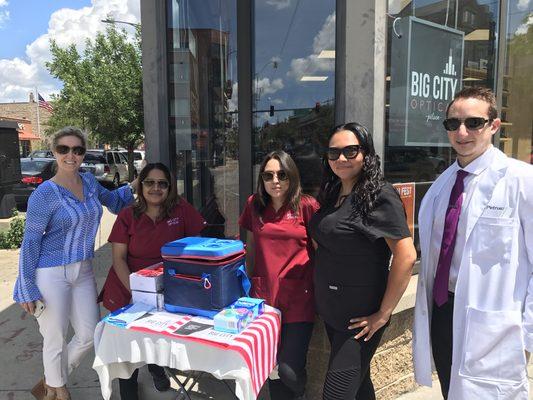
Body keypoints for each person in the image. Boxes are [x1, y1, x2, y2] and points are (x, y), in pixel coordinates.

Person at [413, 87, 533, 399]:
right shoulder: (443, 184)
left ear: (494, 125)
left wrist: (527, 338)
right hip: (443, 311)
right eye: (453, 124)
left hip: (495, 324)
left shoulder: (522, 181)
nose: (462, 132)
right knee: (451, 391)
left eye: (474, 123)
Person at [13, 127, 136, 400]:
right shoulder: (43, 194)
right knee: (54, 337)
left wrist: (136, 185)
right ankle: (59, 392)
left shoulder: (90, 182)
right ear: (54, 152)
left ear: (84, 154)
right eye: (64, 149)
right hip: (50, 272)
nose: (71, 155)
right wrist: (26, 286)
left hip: (83, 270)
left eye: (78, 150)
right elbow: (31, 242)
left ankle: (51, 379)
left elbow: (115, 202)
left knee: (90, 333)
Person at [309, 122, 416, 400]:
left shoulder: (380, 195)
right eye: (334, 153)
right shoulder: (333, 194)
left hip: (360, 320)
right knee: (359, 388)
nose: (341, 159)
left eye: (350, 151)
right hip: (333, 313)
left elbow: (406, 256)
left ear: (366, 154)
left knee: (335, 395)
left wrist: (383, 313)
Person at [100, 162, 206, 400]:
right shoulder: (128, 214)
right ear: (140, 185)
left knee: (157, 338)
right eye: (150, 182)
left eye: (162, 183)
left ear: (169, 188)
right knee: (128, 349)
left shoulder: (181, 210)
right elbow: (118, 258)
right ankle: (129, 394)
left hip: (168, 287)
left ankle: (157, 369)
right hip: (128, 286)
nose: (155, 188)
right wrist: (139, 294)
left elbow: (197, 248)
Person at [239, 150, 320, 400]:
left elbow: (320, 253)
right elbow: (251, 249)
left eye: (282, 175)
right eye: (268, 175)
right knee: (270, 366)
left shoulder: (307, 206)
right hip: (264, 300)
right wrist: (244, 288)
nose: (275, 181)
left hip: (299, 298)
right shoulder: (255, 205)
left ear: (292, 176)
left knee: (288, 370)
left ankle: (300, 393)